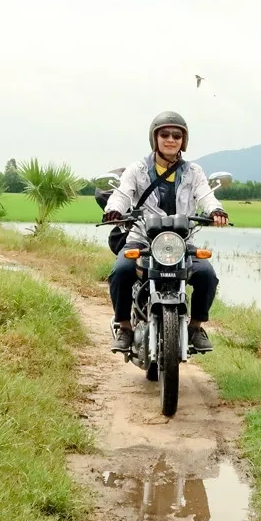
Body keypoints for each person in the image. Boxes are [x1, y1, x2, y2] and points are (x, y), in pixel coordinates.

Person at [102, 111, 229, 353]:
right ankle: (125, 327)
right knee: (121, 271)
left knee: (207, 275)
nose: (171, 139)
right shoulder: (138, 169)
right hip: (142, 240)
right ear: (155, 138)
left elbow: (205, 195)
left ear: (184, 140)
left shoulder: (193, 172)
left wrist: (216, 210)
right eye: (165, 134)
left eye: (177, 135)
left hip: (181, 242)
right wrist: (114, 210)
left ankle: (196, 327)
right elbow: (122, 193)